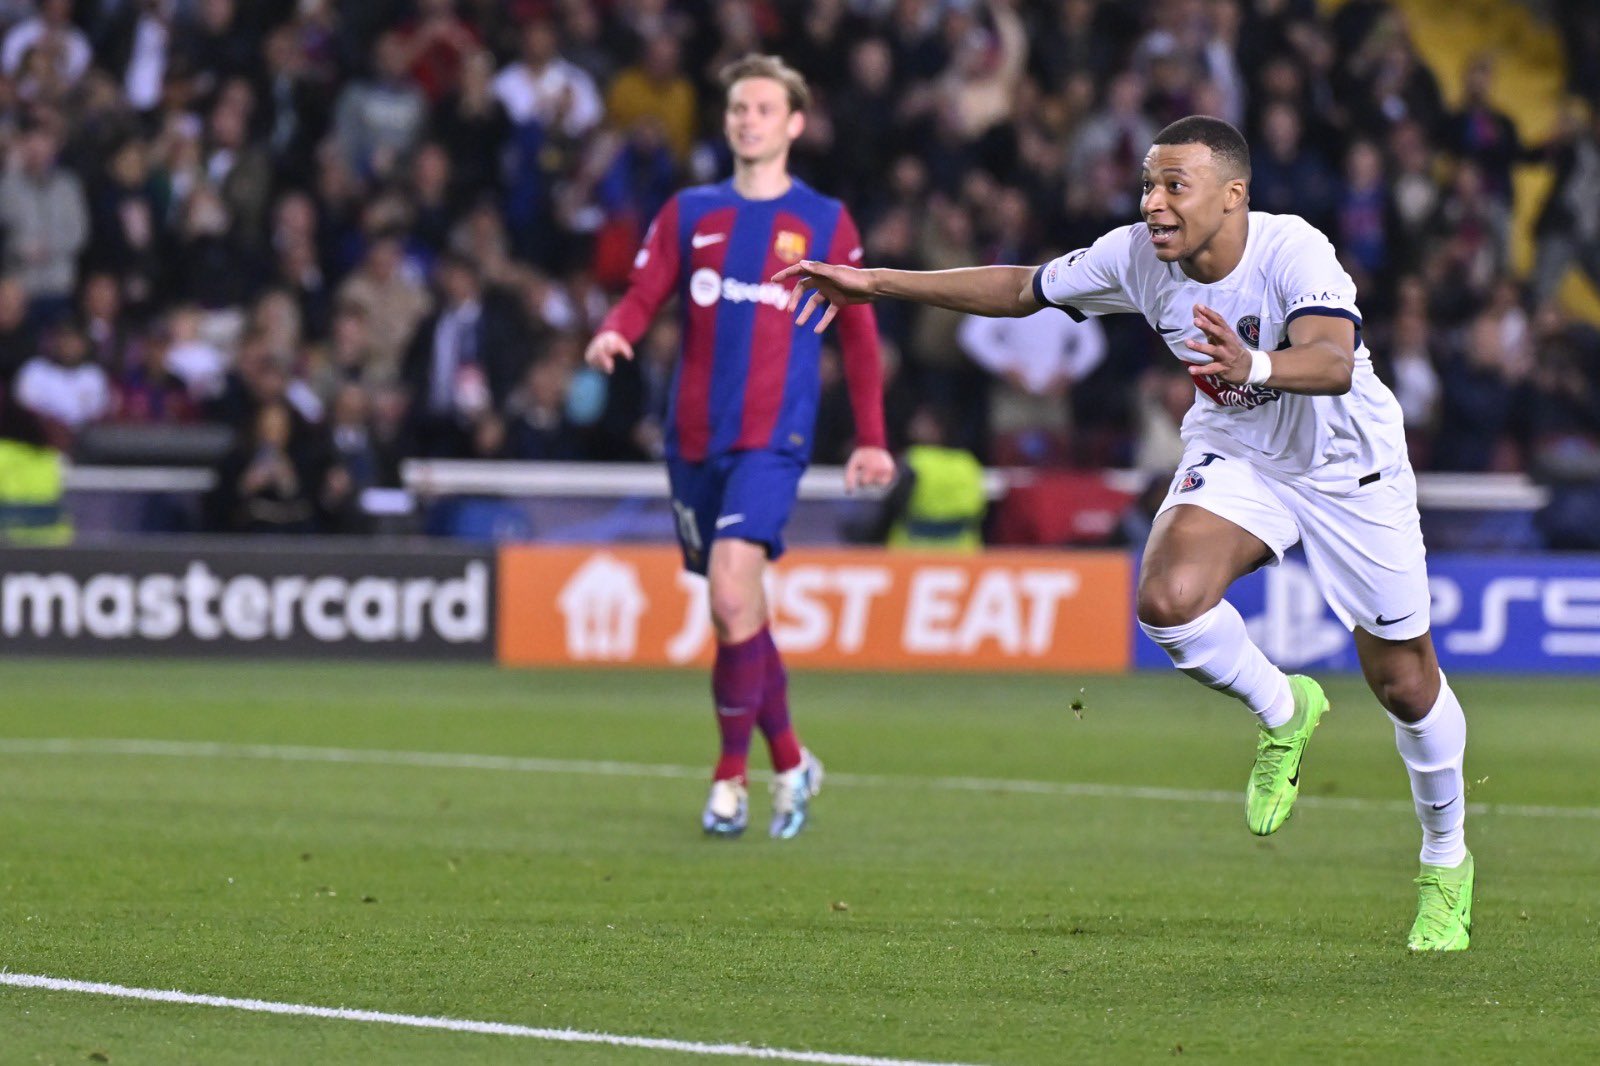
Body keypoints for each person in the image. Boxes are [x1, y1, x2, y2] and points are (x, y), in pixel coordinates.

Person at [777, 116, 1473, 951]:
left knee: (1402, 682)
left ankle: (1445, 861)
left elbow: (1329, 362)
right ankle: (1285, 709)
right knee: (1168, 602)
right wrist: (878, 284)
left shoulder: (1295, 251)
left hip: (1345, 465)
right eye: (1147, 185)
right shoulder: (1137, 258)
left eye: (1174, 185)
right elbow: (1022, 288)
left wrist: (1251, 365)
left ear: (1232, 195)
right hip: (1242, 452)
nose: (1153, 203)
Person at [584, 54, 893, 840]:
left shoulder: (825, 223)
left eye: (762, 108)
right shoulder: (690, 212)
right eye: (737, 109)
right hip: (692, 442)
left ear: (793, 123)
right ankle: (791, 759)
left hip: (772, 441)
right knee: (739, 611)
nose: (747, 119)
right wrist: (616, 334)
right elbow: (644, 293)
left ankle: (730, 781)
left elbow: (858, 336)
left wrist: (872, 440)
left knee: (728, 594)